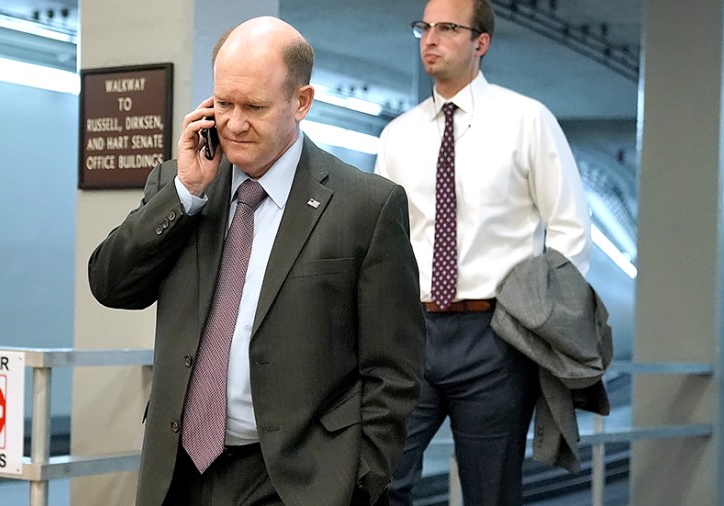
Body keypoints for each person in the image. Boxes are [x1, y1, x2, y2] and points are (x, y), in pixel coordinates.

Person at [88, 16, 425, 506]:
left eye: (255, 106)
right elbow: (111, 284)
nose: (234, 123)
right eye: (223, 103)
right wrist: (184, 194)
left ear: (301, 102)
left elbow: (394, 371)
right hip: (180, 473)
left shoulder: (365, 207)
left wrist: (356, 483)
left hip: (296, 481)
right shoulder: (179, 185)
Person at [374, 0, 591, 504]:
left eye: (447, 27)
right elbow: (384, 242)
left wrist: (545, 323)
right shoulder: (397, 136)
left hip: (496, 336)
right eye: (424, 28)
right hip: (413, 334)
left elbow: (568, 229)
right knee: (380, 480)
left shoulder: (527, 121)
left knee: (490, 493)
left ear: (481, 42)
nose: (430, 38)